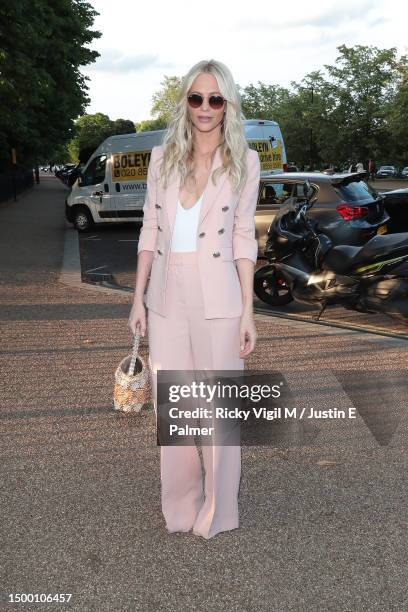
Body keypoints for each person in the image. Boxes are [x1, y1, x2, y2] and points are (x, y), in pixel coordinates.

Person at [128, 59, 260, 539]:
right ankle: (181, 508)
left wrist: (248, 312)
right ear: (186, 102)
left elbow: (244, 237)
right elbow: (149, 228)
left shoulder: (245, 161)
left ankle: (219, 511)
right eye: (196, 98)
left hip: (219, 292)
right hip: (166, 291)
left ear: (227, 105)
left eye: (215, 99)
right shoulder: (162, 158)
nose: (205, 108)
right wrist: (137, 298)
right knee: (178, 407)